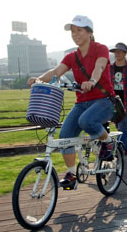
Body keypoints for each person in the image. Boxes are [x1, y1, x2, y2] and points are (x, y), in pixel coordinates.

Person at [27, 15, 116, 190]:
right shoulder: (71, 57)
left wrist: (92, 80)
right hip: (82, 102)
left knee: (86, 121)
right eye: (73, 31)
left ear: (89, 33)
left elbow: (99, 67)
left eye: (79, 30)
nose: (75, 34)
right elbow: (56, 72)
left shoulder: (101, 49)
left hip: (104, 101)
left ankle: (107, 142)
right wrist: (38, 79)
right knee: (65, 135)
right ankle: (71, 174)